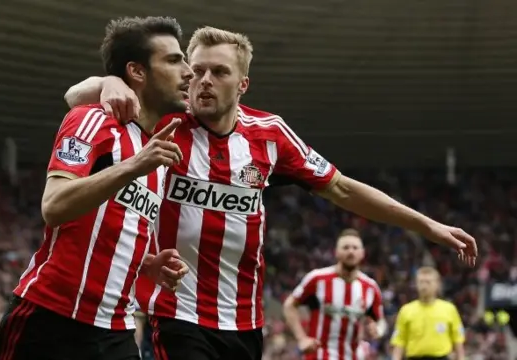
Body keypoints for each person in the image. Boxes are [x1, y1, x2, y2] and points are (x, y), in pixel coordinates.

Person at [64, 26, 477, 360]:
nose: (204, 81)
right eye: (199, 70)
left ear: (242, 84)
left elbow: (343, 189)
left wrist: (428, 226)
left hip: (245, 322)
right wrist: (108, 80)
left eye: (220, 72)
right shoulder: (165, 120)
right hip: (175, 314)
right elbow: (75, 96)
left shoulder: (270, 135)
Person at [0, 16, 192, 360]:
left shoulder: (154, 149)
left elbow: (104, 223)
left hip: (116, 331)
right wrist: (132, 165)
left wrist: (146, 265)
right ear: (138, 72)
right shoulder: (94, 120)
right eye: (174, 60)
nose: (188, 71)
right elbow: (53, 206)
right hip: (50, 321)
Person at [282, 229, 386, 359]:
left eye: (355, 248)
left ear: (362, 253)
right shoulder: (317, 278)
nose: (351, 251)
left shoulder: (371, 287)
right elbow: (289, 305)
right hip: (319, 356)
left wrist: (378, 330)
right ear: (336, 252)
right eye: (346, 247)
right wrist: (301, 338)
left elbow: (381, 321)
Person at [390, 266, 466, 360]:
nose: (424, 286)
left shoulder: (449, 309)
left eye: (428, 282)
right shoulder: (406, 310)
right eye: (421, 282)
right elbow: (399, 343)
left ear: (437, 284)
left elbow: (458, 341)